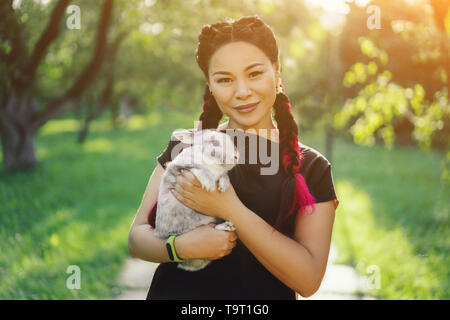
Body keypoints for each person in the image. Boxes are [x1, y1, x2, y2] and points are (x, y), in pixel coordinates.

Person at [128, 15, 340, 300]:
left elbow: (309, 279)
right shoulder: (185, 146)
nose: (242, 92)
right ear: (210, 85)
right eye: (225, 79)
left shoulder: (311, 167)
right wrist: (181, 248)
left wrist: (229, 208)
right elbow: (137, 238)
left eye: (254, 74)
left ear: (277, 73)